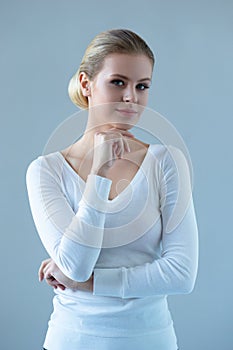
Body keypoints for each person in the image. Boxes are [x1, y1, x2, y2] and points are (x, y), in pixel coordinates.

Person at [26, 29, 199, 350]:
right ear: (85, 84)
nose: (131, 97)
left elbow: (181, 274)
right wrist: (100, 176)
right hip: (72, 339)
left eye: (142, 86)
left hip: (151, 340)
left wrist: (89, 284)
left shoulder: (167, 162)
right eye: (118, 82)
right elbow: (75, 264)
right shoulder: (45, 170)